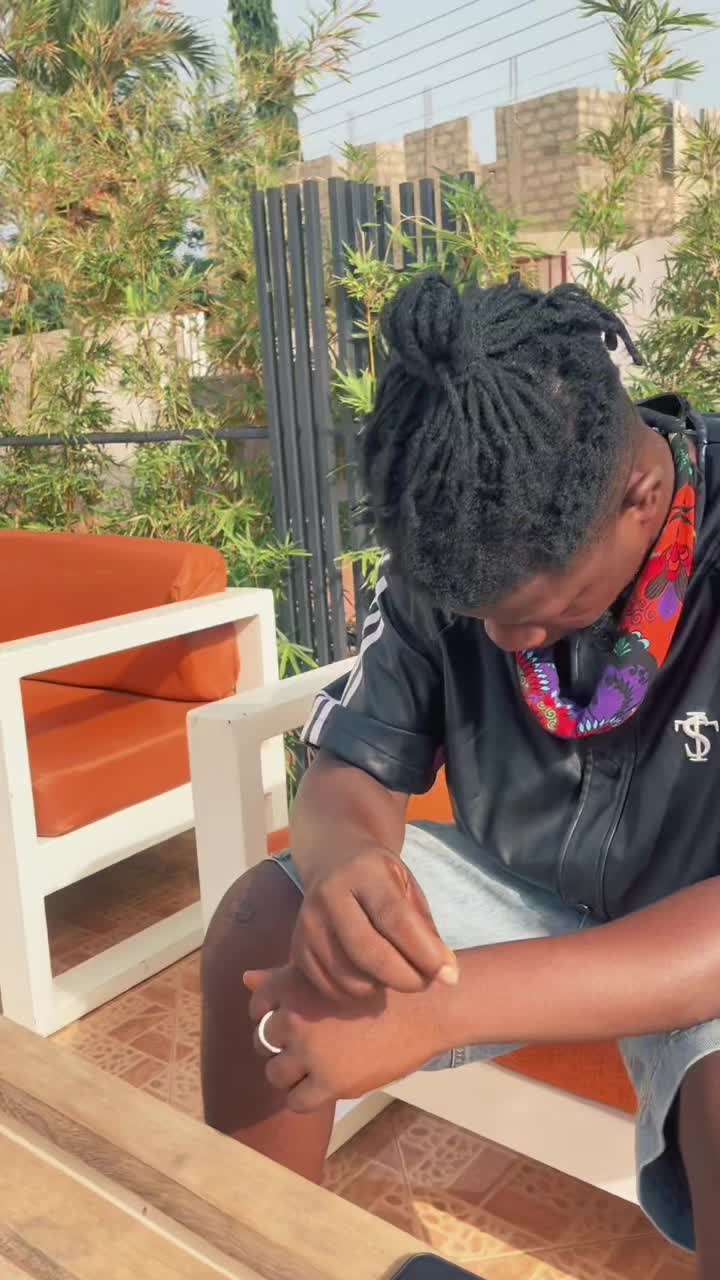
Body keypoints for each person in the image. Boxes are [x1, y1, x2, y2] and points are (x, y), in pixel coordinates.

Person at [202, 273, 720, 1276]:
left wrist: (447, 1004)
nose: (501, 640)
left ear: (642, 498)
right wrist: (350, 864)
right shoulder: (456, 533)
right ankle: (254, 1252)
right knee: (261, 923)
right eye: (476, 614)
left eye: (543, 613)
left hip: (694, 917)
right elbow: (352, 765)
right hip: (528, 887)